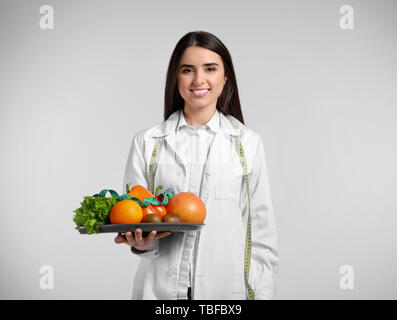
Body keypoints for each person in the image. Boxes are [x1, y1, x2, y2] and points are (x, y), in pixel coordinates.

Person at [114, 31, 279, 300]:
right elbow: (135, 215)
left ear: (226, 78)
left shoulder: (247, 144)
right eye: (187, 70)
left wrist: (262, 295)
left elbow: (260, 233)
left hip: (226, 291)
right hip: (161, 293)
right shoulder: (147, 142)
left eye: (210, 69)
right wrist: (143, 244)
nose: (198, 80)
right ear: (175, 78)